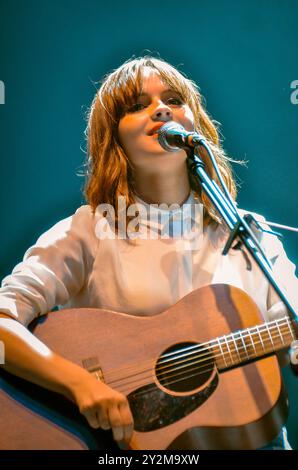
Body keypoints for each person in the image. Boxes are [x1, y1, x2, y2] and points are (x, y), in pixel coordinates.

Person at [0, 56, 297, 450]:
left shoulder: (249, 234)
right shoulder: (90, 229)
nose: (161, 108)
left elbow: (289, 324)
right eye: (137, 105)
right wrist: (79, 384)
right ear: (114, 138)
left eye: (174, 99)